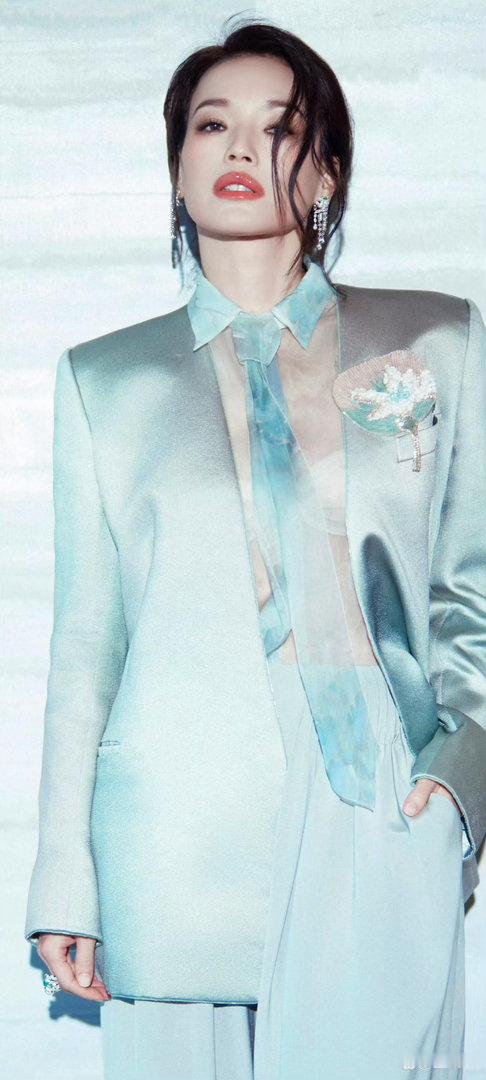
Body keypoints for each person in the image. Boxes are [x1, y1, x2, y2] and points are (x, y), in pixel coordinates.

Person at [24, 16, 486, 1080]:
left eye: (279, 128)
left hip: (380, 815)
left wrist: (460, 779)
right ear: (176, 166)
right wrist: (65, 881)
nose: (239, 147)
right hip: (177, 832)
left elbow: (471, 588)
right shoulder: (106, 381)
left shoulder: (436, 342)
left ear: (328, 174)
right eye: (210, 124)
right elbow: (87, 646)